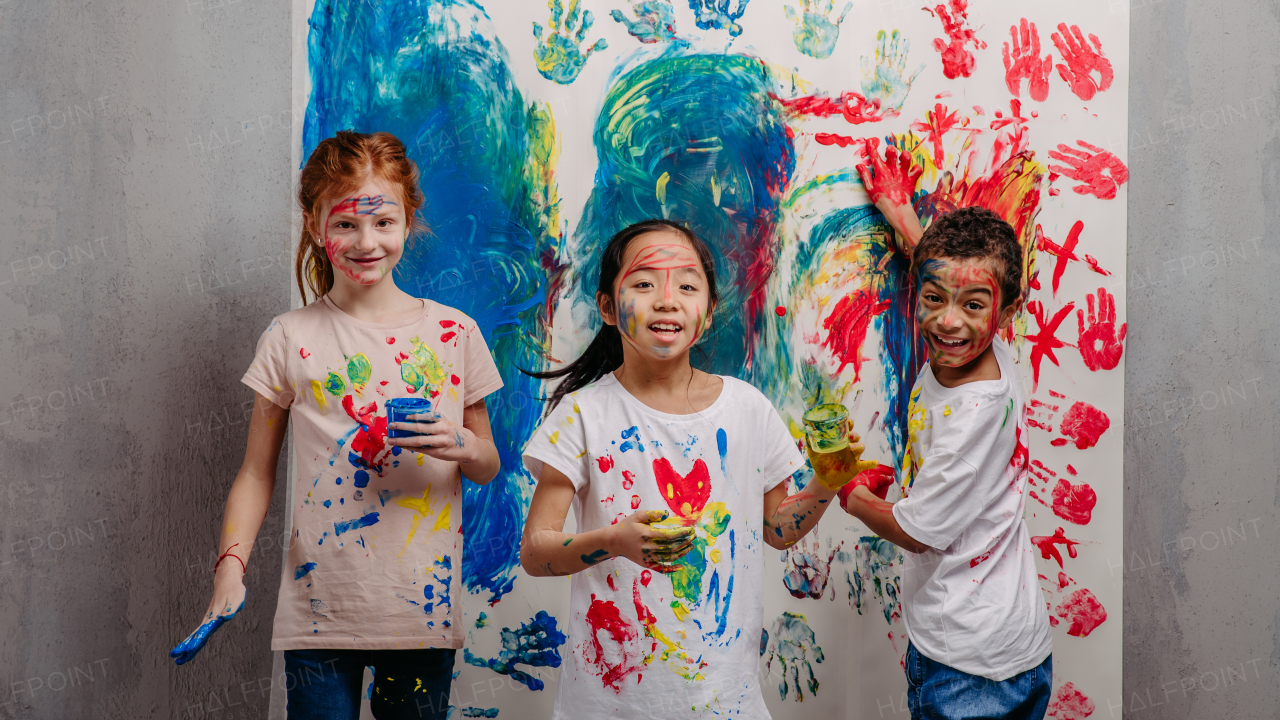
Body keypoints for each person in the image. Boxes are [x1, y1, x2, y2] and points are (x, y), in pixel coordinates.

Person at [170, 130, 504, 720]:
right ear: (313, 223)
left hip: (421, 617)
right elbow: (254, 472)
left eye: (384, 223)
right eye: (345, 224)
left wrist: (461, 443)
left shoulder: (456, 333)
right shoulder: (289, 337)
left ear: (409, 220)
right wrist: (229, 571)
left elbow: (487, 466)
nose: (366, 242)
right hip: (318, 615)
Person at [519, 218, 876, 719]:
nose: (667, 300)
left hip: (723, 703)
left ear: (707, 314)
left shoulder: (748, 409)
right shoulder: (582, 414)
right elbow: (536, 552)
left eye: (687, 286)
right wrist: (614, 541)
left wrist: (825, 483)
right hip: (608, 702)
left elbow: (776, 528)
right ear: (606, 307)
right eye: (643, 284)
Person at [819, 142, 1053, 720]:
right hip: (1015, 642)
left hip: (964, 665)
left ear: (1007, 309)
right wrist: (903, 219)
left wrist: (850, 490)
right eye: (933, 299)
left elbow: (917, 530)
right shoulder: (993, 344)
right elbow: (954, 277)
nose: (949, 320)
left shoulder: (974, 416)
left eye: (973, 306)